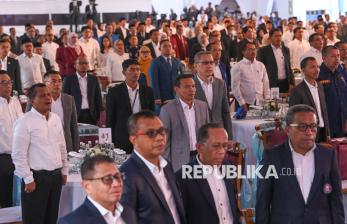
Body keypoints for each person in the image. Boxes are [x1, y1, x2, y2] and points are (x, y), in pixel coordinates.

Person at [256, 104, 345, 224]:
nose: (309, 132)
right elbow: (263, 203)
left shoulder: (328, 155)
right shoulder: (272, 157)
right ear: (287, 130)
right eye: (302, 127)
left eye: (313, 126)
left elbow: (336, 200)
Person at [12, 83, 68, 224]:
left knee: (52, 219)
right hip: (36, 179)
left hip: (55, 177)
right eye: (42, 95)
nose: (48, 98)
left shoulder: (55, 118)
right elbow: (18, 155)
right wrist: (28, 179)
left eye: (48, 94)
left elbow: (62, 146)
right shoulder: (24, 122)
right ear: (31, 100)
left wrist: (64, 170)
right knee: (34, 219)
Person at [120, 110, 186, 223]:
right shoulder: (126, 176)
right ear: (134, 140)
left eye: (162, 131)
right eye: (151, 133)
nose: (160, 138)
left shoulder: (167, 166)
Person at [176, 123, 240, 224]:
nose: (222, 152)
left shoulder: (229, 167)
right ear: (199, 147)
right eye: (216, 146)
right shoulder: (182, 177)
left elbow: (233, 209)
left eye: (225, 146)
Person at [58, 155, 131, 224]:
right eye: (107, 179)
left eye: (118, 177)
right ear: (87, 186)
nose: (117, 184)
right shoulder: (71, 222)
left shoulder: (131, 212)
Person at [160, 74, 210, 171]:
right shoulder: (168, 109)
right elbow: (164, 140)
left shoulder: (202, 106)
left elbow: (207, 134)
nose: (192, 90)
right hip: (179, 160)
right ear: (177, 89)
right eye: (187, 86)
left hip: (200, 156)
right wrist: (166, 165)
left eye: (193, 86)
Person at [106, 59, 154, 153]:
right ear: (124, 72)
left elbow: (151, 116)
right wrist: (110, 141)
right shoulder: (115, 92)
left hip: (142, 135)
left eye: (138, 69)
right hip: (122, 137)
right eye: (132, 69)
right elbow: (110, 119)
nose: (136, 72)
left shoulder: (148, 91)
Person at [289, 57, 330, 142]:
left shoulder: (320, 86)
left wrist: (328, 133)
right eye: (312, 67)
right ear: (303, 70)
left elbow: (324, 111)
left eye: (317, 67)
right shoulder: (297, 91)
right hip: (308, 133)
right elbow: (294, 117)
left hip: (323, 130)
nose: (317, 70)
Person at [193, 51, 233, 138]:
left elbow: (225, 112)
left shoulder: (221, 84)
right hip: (199, 134)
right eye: (205, 63)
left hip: (218, 132)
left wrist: (229, 137)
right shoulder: (190, 85)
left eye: (211, 62)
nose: (209, 66)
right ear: (196, 66)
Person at [0, 71, 23, 208]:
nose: (8, 86)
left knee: (21, 196)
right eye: (3, 83)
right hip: (3, 158)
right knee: (6, 198)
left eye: (9, 82)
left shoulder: (15, 102)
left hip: (19, 156)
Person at [62, 56, 102, 125]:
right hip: (76, 114)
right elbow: (65, 98)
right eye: (80, 63)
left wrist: (98, 115)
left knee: (92, 135)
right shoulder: (68, 79)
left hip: (91, 114)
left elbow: (98, 98)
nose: (84, 65)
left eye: (86, 63)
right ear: (75, 65)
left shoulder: (94, 79)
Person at [317, 46, 347, 137]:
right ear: (323, 58)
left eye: (338, 56)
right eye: (333, 56)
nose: (337, 59)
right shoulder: (318, 74)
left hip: (343, 121)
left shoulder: (341, 72)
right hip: (327, 123)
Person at [231, 42, 270, 110]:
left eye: (254, 49)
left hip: (260, 102)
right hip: (245, 103)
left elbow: (266, 84)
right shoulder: (238, 66)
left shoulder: (261, 65)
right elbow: (235, 88)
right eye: (249, 49)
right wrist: (242, 103)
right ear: (243, 51)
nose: (253, 51)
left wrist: (267, 99)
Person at [149, 39, 183, 109]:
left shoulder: (177, 61)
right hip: (163, 96)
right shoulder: (155, 62)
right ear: (159, 49)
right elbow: (154, 81)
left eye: (169, 46)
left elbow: (181, 79)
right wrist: (157, 97)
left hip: (177, 95)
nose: (168, 48)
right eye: (165, 46)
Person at [257, 28, 293, 93]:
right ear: (270, 38)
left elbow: (289, 67)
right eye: (276, 36)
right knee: (273, 102)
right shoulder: (263, 51)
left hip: (285, 83)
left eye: (280, 36)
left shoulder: (286, 50)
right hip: (271, 83)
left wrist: (291, 83)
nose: (278, 38)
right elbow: (260, 69)